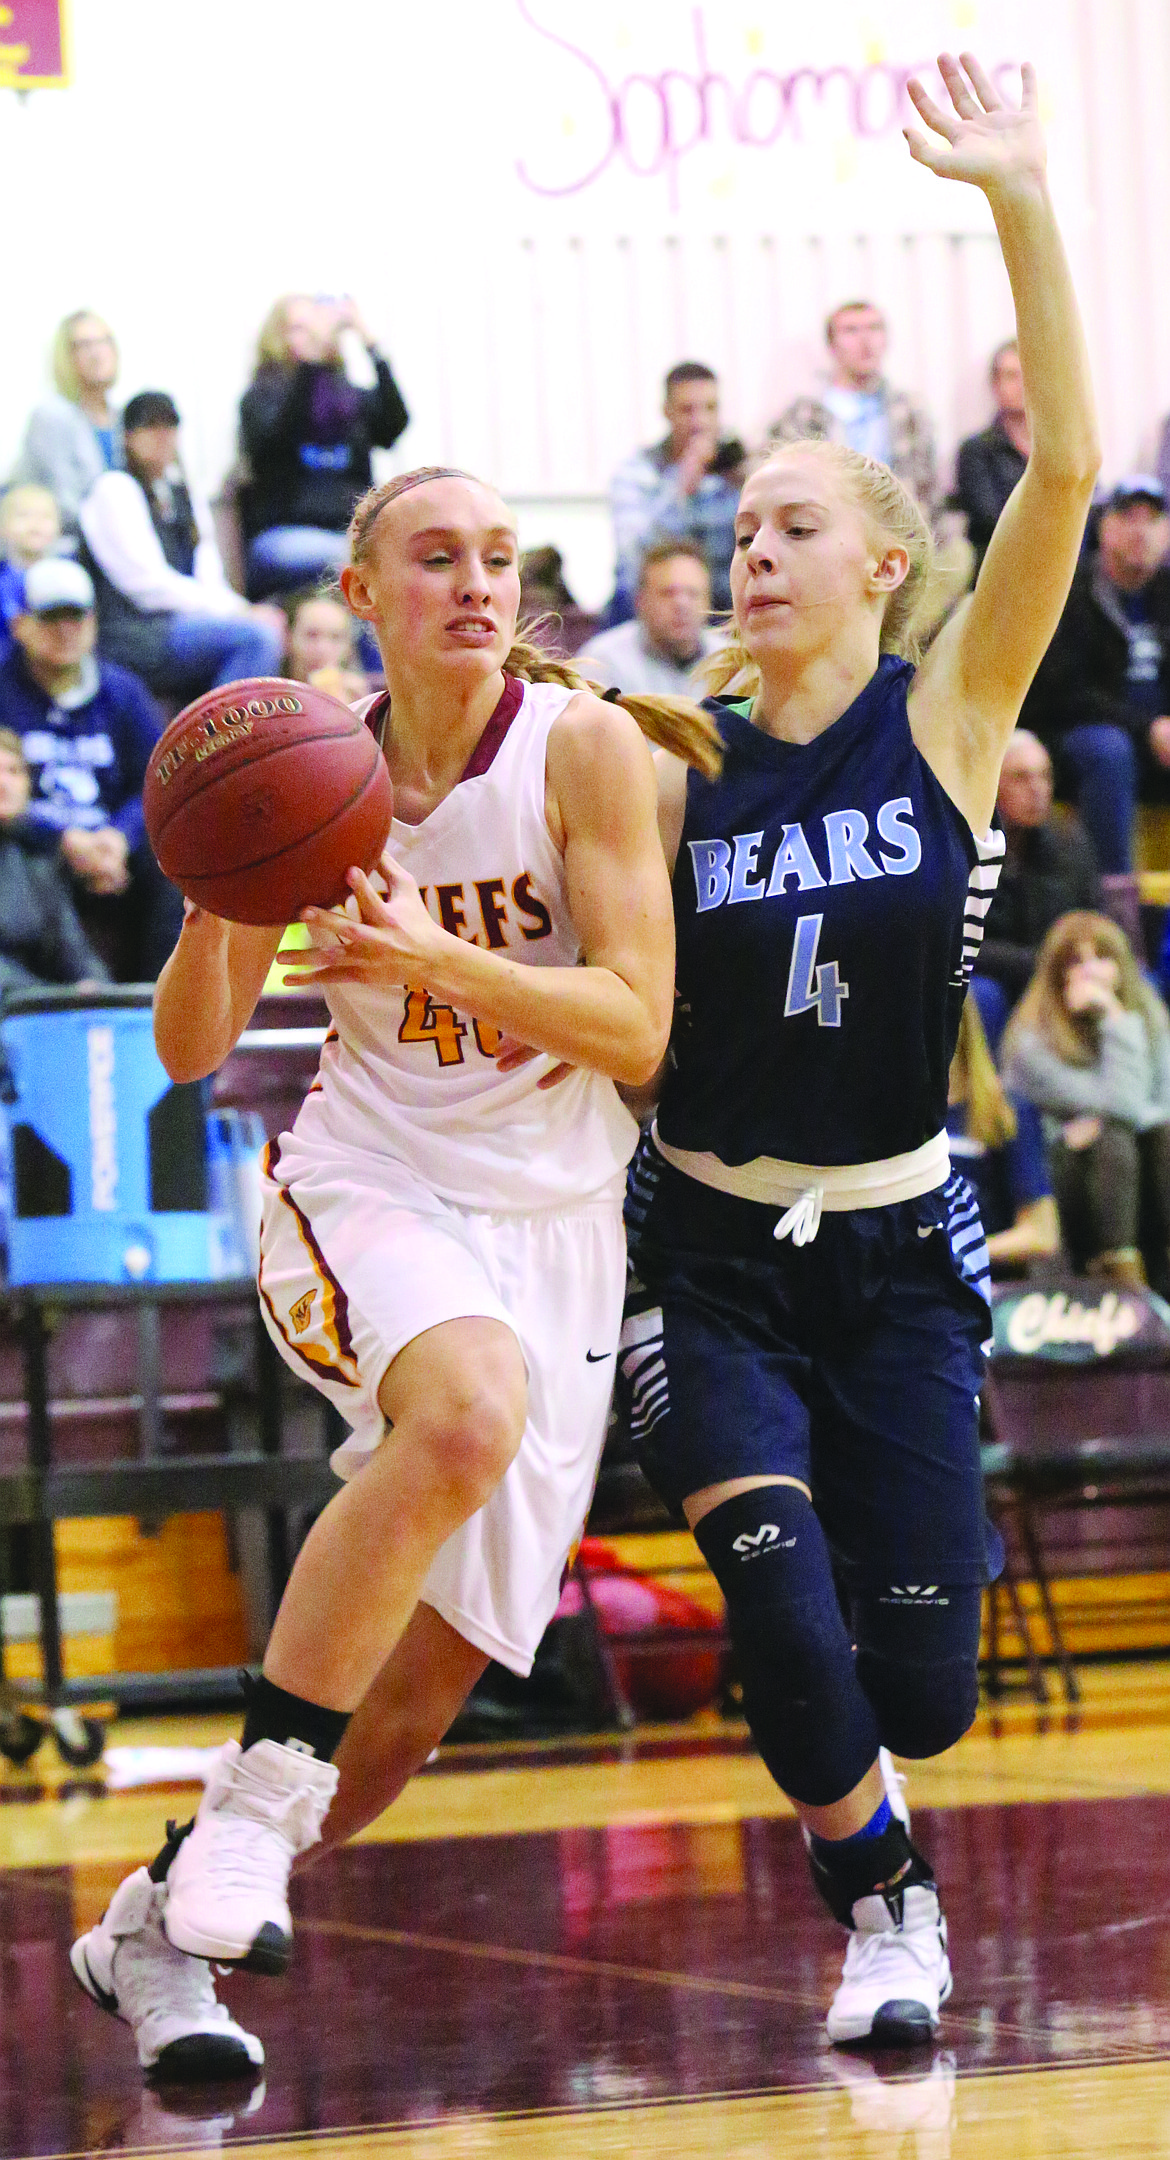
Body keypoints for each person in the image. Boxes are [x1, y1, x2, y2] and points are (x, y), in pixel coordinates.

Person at [70, 465, 721, 2080]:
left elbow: (639, 1029)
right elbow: (187, 1046)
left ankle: (157, 1926)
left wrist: (428, 954)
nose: (479, 585)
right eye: (438, 558)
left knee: (416, 1709)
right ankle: (256, 1815)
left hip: (562, 1226)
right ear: (365, 594)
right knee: (461, 1411)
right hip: (369, 1183)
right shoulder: (316, 772)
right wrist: (228, 895)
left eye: (502, 558)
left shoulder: (587, 752)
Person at [611, 50, 1095, 2047]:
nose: (754, 543)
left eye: (794, 520)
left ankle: (896, 1811)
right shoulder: (658, 762)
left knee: (920, 1686)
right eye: (741, 519)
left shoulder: (953, 714)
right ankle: (886, 1913)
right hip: (711, 1257)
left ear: (882, 564)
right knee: (789, 1632)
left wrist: (1020, 202)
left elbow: (1059, 473)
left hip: (905, 1255)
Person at [0, 557, 183, 980]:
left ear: (94, 621)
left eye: (76, 617)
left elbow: (156, 782)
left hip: (109, 840)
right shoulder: (5, 689)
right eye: (50, 618)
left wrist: (119, 838)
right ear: (20, 625)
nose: (65, 630)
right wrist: (62, 839)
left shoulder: (122, 691)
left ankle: (154, 1005)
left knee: (175, 865)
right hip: (29, 841)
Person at [1002, 911, 1170, 1289]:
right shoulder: (1030, 1039)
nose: (1090, 972)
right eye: (1076, 961)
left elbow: (1159, 1106)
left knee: (1161, 1138)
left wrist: (1104, 1116)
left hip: (1143, 1162)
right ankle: (1123, 1284)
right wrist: (1115, 1016)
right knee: (1113, 1140)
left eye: (1102, 957)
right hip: (1066, 1177)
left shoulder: (1150, 1012)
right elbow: (1125, 1105)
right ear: (1055, 973)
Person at [79, 391, 285, 699]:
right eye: (149, 427)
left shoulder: (182, 494)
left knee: (275, 622)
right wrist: (237, 611)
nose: (161, 436)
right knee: (257, 638)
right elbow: (146, 586)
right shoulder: (114, 489)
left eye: (169, 426)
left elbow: (209, 574)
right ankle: (220, 744)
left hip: (180, 624)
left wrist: (239, 609)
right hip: (133, 633)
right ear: (127, 437)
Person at [1022, 475, 1170, 874]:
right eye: (1128, 518)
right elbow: (1066, 693)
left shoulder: (1165, 593)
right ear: (1104, 526)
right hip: (1079, 736)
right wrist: (1148, 727)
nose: (1141, 531)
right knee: (1108, 750)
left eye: (1152, 520)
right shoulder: (1071, 591)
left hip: (1155, 740)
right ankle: (1112, 895)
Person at [238, 295, 409, 599]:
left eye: (317, 327)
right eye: (299, 328)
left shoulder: (348, 397)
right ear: (276, 337)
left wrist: (370, 344)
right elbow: (279, 438)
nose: (313, 336)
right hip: (286, 536)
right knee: (377, 565)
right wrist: (312, 364)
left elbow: (394, 425)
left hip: (348, 536)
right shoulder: (261, 397)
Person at [973, 727, 1100, 1051]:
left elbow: (1095, 921)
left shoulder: (1070, 843)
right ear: (991, 782)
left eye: (1044, 777)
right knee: (983, 995)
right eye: (1021, 777)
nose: (1038, 789)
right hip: (1002, 979)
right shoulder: (964, 847)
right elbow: (960, 944)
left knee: (1142, 982)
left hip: (1062, 972)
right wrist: (1041, 962)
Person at [766, 300, 939, 517]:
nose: (866, 341)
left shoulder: (910, 411)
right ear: (831, 345)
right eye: (851, 330)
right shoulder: (804, 415)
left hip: (898, 527)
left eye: (874, 328)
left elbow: (928, 488)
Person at [608, 362, 744, 620]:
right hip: (658, 600)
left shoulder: (734, 469)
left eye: (710, 409)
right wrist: (680, 489)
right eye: (687, 410)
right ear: (666, 412)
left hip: (723, 600)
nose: (700, 422)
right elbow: (633, 559)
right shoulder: (635, 472)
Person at [946, 995, 1059, 1272]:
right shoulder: (890, 1115)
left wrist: (954, 1255)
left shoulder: (1006, 1111)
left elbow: (1042, 1234)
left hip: (987, 1289)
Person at [0, 728, 109, 994]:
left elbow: (72, 951)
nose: (4, 783)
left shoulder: (36, 861)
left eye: (14, 771)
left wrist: (96, 990)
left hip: (32, 1014)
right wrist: (59, 999)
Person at [11, 311, 122, 532]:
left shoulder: (122, 417)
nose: (97, 353)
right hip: (65, 545)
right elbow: (66, 503)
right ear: (65, 356)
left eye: (104, 342)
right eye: (84, 345)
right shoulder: (51, 417)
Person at [578, 543, 724, 697]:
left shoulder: (731, 662)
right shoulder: (601, 663)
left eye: (693, 593)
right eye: (668, 593)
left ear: (709, 600)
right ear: (640, 601)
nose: (682, 605)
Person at [953, 340, 1030, 567]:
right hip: (1000, 569)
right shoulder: (976, 451)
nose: (1022, 384)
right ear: (995, 385)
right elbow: (989, 520)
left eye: (1028, 374)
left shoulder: (1061, 449)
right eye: (1011, 375)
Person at [0, 484, 62, 666]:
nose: (35, 524)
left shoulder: (67, 575)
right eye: (23, 516)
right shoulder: (4, 582)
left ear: (59, 527)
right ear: (3, 526)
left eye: (45, 517)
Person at [282, 587, 369, 704]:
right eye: (311, 635)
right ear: (288, 638)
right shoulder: (265, 698)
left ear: (349, 648)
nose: (322, 649)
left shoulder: (357, 698)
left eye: (335, 637)